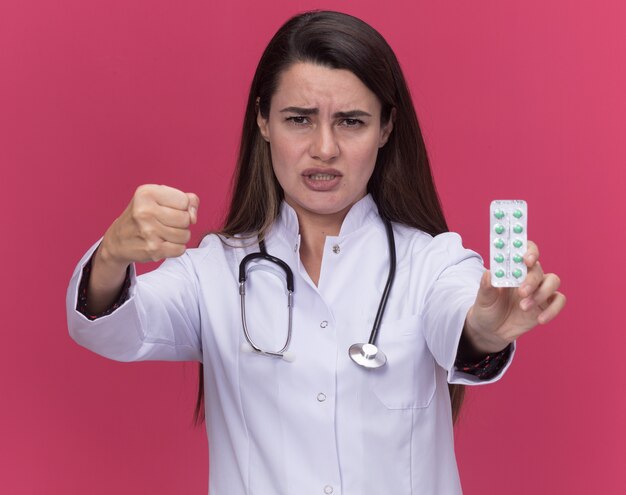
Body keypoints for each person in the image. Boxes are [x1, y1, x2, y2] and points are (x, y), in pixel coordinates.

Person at [66, 10, 566, 494]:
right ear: (263, 120)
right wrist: (113, 252)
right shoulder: (213, 271)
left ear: (386, 129)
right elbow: (114, 328)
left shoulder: (433, 264)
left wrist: (484, 329)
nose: (324, 148)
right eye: (299, 119)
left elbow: (459, 316)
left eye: (350, 122)